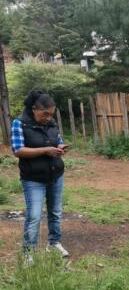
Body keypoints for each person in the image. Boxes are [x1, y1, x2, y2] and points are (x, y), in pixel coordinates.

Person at [11, 89, 69, 261]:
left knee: (56, 212)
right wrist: (45, 150)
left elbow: (57, 140)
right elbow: (18, 150)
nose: (48, 118)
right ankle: (29, 253)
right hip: (33, 179)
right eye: (45, 114)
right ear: (34, 109)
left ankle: (54, 243)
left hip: (56, 174)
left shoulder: (51, 123)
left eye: (51, 115)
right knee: (34, 215)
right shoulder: (19, 123)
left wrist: (61, 147)